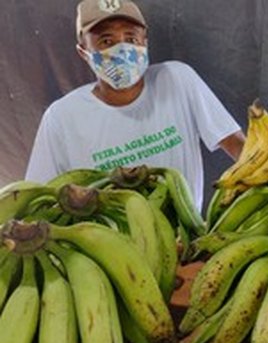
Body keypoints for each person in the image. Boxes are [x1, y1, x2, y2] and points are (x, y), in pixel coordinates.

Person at [25, 0, 245, 210]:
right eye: (106, 41)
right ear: (84, 52)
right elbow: (38, 197)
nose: (122, 49)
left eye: (131, 38)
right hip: (107, 244)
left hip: (185, 239)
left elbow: (238, 146)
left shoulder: (177, 80)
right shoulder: (63, 117)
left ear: (145, 42)